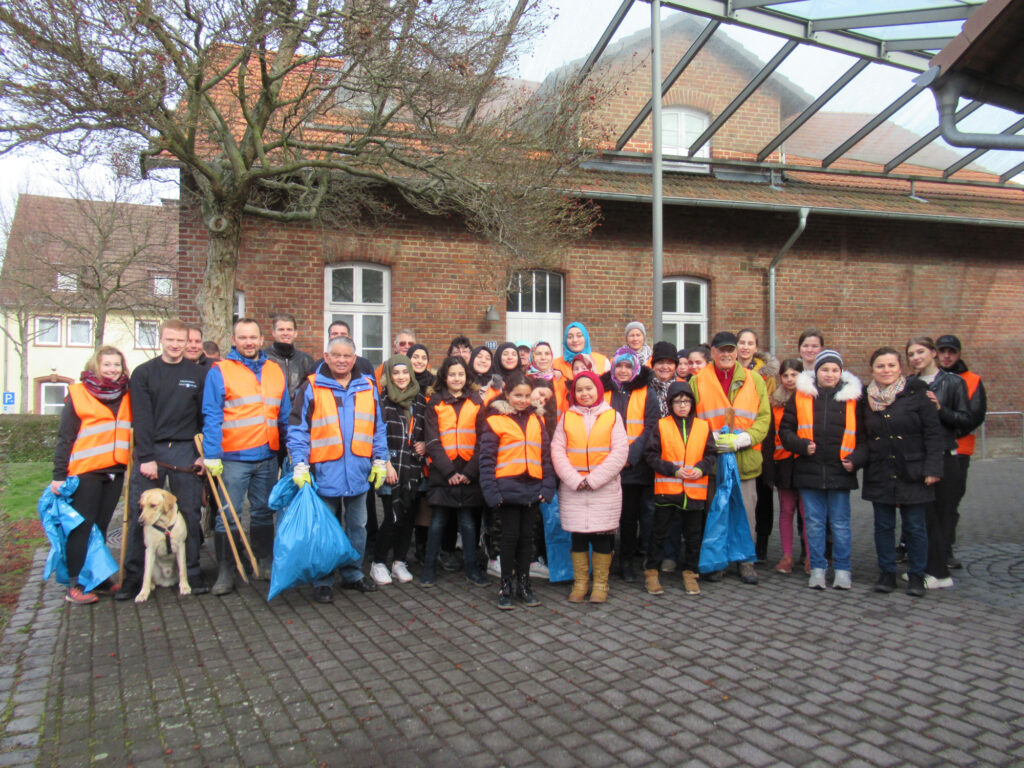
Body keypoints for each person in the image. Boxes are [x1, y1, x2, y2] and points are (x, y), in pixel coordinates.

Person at [288, 335, 388, 601]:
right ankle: (322, 579)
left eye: (347, 356)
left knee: (358, 527)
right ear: (326, 356)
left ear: (354, 358)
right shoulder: (311, 387)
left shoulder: (367, 385)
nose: (342, 360)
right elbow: (298, 430)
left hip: (358, 470)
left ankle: (352, 573)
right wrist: (300, 464)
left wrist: (380, 458)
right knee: (325, 528)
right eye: (336, 355)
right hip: (324, 471)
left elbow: (378, 427)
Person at [117, 319, 208, 602]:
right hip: (152, 451)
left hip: (186, 450)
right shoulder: (144, 373)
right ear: (161, 339)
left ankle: (191, 573)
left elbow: (205, 416)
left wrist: (203, 455)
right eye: (170, 339)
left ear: (188, 341)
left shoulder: (199, 373)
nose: (175, 345)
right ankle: (133, 578)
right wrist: (145, 456)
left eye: (181, 340)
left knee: (191, 514)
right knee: (140, 515)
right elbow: (141, 417)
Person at [201, 318, 290, 595]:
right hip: (233, 457)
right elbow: (212, 414)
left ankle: (263, 562)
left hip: (267, 455)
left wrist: (290, 451)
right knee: (228, 515)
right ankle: (226, 570)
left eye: (253, 337)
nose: (249, 342)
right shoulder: (220, 371)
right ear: (234, 341)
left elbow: (284, 414)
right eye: (243, 338)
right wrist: (212, 454)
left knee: (264, 510)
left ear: (261, 339)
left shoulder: (274, 370)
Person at [51, 346, 132, 604]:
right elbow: (66, 437)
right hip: (85, 472)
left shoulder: (127, 394)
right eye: (107, 365)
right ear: (96, 366)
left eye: (116, 365)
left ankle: (98, 578)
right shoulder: (79, 394)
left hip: (114, 471)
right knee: (82, 528)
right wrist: (58, 475)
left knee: (101, 528)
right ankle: (74, 584)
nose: (112, 369)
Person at [689, 331, 771, 585]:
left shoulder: (754, 379)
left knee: (746, 512)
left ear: (737, 352)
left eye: (730, 350)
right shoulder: (698, 380)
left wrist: (743, 439)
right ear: (712, 352)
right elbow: (691, 419)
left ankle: (746, 561)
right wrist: (711, 440)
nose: (726, 354)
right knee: (716, 512)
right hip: (714, 462)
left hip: (744, 459)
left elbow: (764, 418)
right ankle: (719, 561)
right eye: (720, 350)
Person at [779, 350, 866, 590]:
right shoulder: (800, 396)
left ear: (841, 372)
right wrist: (801, 446)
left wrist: (856, 459)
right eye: (825, 369)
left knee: (840, 523)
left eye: (835, 370)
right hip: (809, 469)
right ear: (816, 371)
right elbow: (785, 431)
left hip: (840, 471)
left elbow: (864, 438)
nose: (830, 374)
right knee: (814, 522)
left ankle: (842, 569)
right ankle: (817, 567)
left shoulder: (853, 398)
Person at [861, 347, 943, 597]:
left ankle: (917, 575)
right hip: (880, 469)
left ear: (900, 368)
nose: (886, 371)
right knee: (883, 525)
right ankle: (887, 572)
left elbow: (933, 433)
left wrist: (933, 468)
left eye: (891, 366)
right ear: (872, 370)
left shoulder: (917, 394)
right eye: (880, 366)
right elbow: (863, 436)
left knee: (915, 526)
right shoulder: (865, 398)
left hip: (913, 470)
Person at [479, 371, 556, 609]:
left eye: (526, 395)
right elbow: (486, 460)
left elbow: (545, 456)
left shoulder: (537, 419)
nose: (522, 400)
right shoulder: (495, 421)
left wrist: (548, 486)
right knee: (509, 540)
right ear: (506, 394)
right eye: (517, 395)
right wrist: (491, 492)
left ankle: (525, 585)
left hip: (532, 488)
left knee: (527, 540)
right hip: (507, 490)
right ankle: (505, 586)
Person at [550, 372, 628, 603]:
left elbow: (620, 452)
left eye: (589, 388)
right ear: (574, 393)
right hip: (574, 490)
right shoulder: (566, 417)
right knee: (579, 538)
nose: (585, 394)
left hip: (603, 489)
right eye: (580, 390)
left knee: (602, 538)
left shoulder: (613, 416)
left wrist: (594, 480)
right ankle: (581, 582)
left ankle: (601, 584)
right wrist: (575, 480)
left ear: (598, 390)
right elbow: (557, 451)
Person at [906, 336, 972, 590]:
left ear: (933, 353)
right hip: (918, 457)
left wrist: (940, 408)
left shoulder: (953, 382)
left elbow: (965, 419)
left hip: (945, 455)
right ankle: (923, 567)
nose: (916, 358)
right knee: (921, 517)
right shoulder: (910, 383)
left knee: (941, 515)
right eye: (911, 354)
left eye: (920, 352)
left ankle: (940, 572)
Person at [643, 380, 717, 596]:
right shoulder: (662, 425)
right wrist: (673, 470)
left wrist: (701, 469)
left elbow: (711, 454)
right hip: (668, 489)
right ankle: (652, 572)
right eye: (678, 401)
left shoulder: (703, 426)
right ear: (670, 403)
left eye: (686, 401)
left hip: (694, 490)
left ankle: (690, 573)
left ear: (693, 403)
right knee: (659, 533)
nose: (682, 405)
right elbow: (651, 455)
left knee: (694, 535)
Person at [421, 356, 489, 587]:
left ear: (467, 376)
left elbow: (483, 440)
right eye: (452, 375)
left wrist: (469, 472)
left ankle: (472, 569)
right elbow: (432, 441)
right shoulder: (435, 402)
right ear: (444, 377)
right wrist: (449, 471)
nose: (457, 379)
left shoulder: (477, 401)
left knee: (468, 522)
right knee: (438, 520)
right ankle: (429, 569)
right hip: (443, 470)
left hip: (469, 470)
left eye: (461, 374)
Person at [367, 354, 427, 586]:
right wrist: (386, 463)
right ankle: (379, 562)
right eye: (396, 373)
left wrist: (424, 443)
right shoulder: (381, 401)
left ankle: (399, 561)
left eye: (405, 372)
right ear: (389, 376)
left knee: (408, 518)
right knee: (391, 517)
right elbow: (376, 435)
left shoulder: (420, 401)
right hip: (390, 467)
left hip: (413, 468)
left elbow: (425, 431)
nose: (401, 377)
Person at [600, 346, 653, 582]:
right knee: (611, 518)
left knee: (631, 518)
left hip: (636, 467)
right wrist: (614, 459)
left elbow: (651, 427)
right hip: (609, 465)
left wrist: (629, 457)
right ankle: (609, 559)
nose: (622, 370)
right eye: (618, 366)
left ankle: (628, 561)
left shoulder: (646, 391)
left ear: (635, 368)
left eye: (627, 366)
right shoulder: (604, 392)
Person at [936, 334, 986, 569]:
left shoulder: (972, 380)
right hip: (931, 449)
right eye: (942, 351)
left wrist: (946, 436)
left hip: (959, 450)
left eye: (951, 351)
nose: (947, 355)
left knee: (949, 501)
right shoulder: (928, 378)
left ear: (958, 354)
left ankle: (945, 548)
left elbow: (974, 417)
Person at [737, 328, 778, 561]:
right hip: (738, 440)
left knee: (763, 493)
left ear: (756, 347)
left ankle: (761, 542)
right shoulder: (729, 370)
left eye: (749, 343)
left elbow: (768, 407)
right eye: (741, 342)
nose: (745, 347)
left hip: (762, 435)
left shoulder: (767, 374)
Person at [765, 359, 806, 574]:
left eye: (794, 375)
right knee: (787, 510)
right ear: (780, 378)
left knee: (806, 511)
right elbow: (770, 436)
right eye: (786, 375)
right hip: (782, 461)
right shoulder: (775, 402)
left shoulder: (809, 399)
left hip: (804, 461)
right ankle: (787, 555)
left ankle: (809, 555)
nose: (790, 379)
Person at [264, 313, 316, 402]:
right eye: (281, 330)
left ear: (295, 333)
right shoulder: (263, 358)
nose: (285, 333)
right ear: (273, 333)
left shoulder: (306, 360)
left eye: (289, 330)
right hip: (272, 412)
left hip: (298, 413)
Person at [527, 340, 568, 413]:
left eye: (547, 353)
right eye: (538, 354)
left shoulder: (560, 380)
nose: (543, 357)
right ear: (532, 356)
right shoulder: (525, 380)